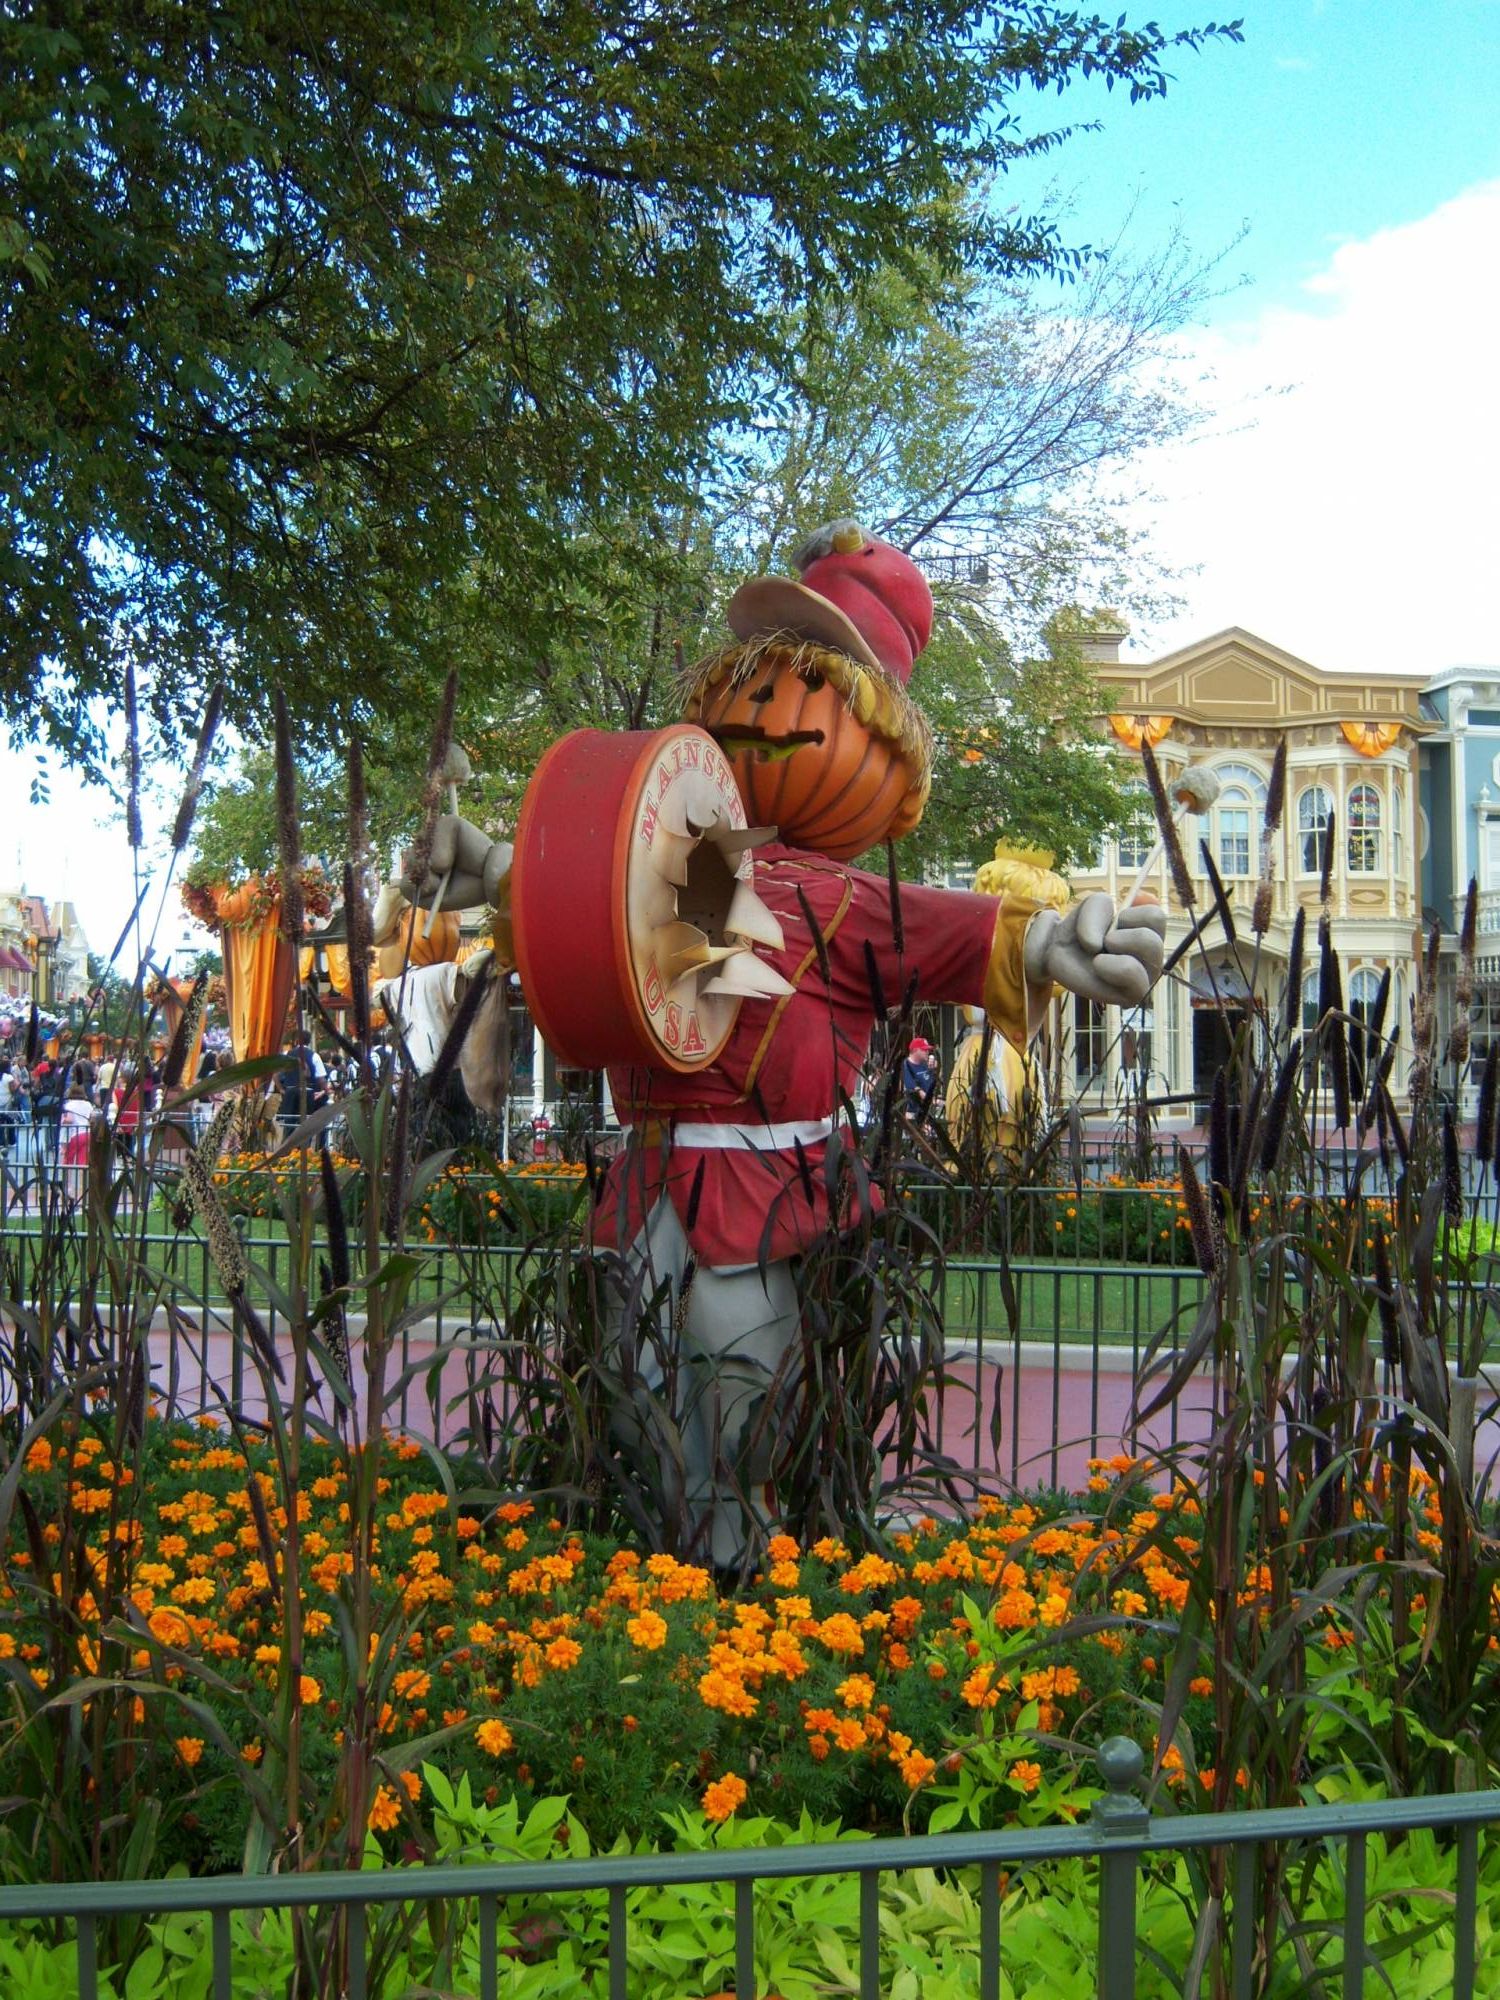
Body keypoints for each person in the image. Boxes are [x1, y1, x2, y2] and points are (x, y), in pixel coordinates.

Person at [403, 522, 1166, 1569]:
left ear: (882, 753)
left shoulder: (854, 900)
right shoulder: (678, 857)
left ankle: (743, 1592)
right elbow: (590, 888)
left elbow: (964, 930)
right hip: (648, 1181)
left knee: (737, 1406)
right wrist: (489, 861)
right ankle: (660, 1592)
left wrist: (1052, 940)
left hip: (759, 1199)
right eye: (751, 680)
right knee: (629, 1392)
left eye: (807, 687)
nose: (766, 709)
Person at [902, 1037, 939, 1121]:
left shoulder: (925, 1065)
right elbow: (915, 1090)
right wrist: (933, 1101)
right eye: (924, 1050)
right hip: (914, 1114)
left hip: (929, 1111)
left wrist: (935, 1070)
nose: (927, 1052)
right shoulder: (906, 1066)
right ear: (915, 1050)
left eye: (928, 1050)